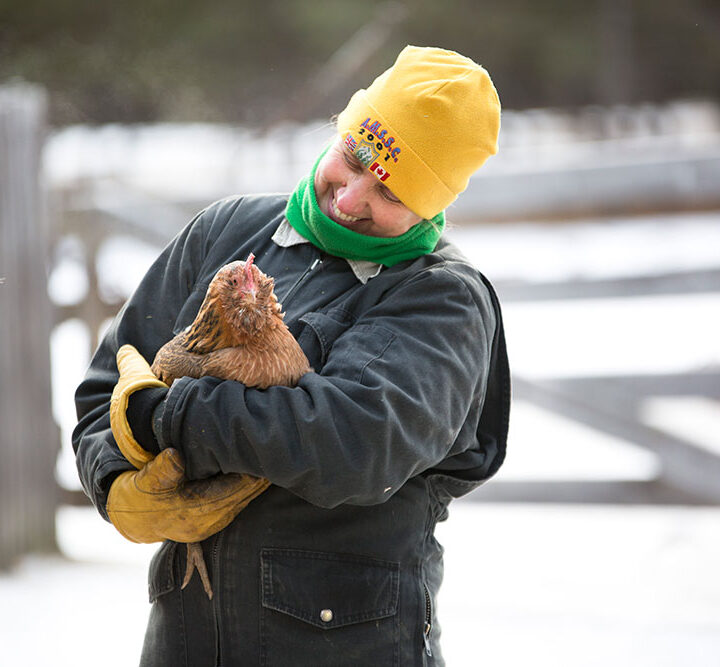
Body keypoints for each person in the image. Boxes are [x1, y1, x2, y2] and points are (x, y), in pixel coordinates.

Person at [73, 45, 510, 666]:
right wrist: (115, 481)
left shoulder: (440, 298)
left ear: (433, 203)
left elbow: (353, 442)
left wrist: (167, 418)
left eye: (392, 190)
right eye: (354, 158)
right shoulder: (225, 231)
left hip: (345, 646)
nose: (352, 197)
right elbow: (104, 386)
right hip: (186, 643)